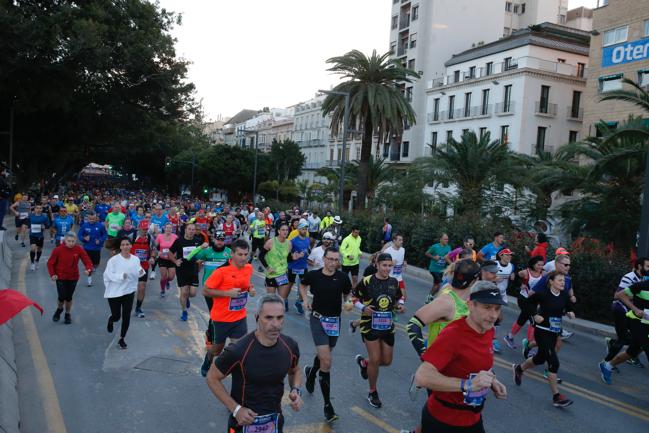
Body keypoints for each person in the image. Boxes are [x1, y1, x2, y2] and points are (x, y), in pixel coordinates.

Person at [413, 281, 507, 433]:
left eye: (497, 308)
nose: (493, 315)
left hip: (473, 418)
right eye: (487, 307)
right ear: (470, 305)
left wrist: (492, 380)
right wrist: (468, 385)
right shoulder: (453, 334)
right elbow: (422, 377)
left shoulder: (488, 330)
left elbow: (478, 364)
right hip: (443, 421)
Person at [206, 294, 303, 433]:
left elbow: (295, 370)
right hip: (243, 423)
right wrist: (236, 409)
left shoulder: (290, 346)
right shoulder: (239, 350)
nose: (275, 324)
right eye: (269, 318)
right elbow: (212, 377)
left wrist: (296, 390)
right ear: (257, 317)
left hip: (274, 422)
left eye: (280, 317)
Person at [300, 247, 352, 422]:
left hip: (334, 322)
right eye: (330, 259)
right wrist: (306, 300)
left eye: (336, 260)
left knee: (325, 356)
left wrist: (348, 303)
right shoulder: (314, 275)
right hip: (318, 320)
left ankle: (311, 372)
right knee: (327, 361)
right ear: (324, 258)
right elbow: (302, 284)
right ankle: (328, 406)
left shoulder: (343, 278)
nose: (333, 263)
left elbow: (347, 294)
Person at [513, 272, 576, 408]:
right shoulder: (543, 294)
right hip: (542, 332)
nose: (562, 283)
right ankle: (557, 397)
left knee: (540, 358)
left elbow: (568, 305)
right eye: (559, 280)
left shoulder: (564, 294)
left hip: (554, 331)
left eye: (563, 281)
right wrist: (535, 314)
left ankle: (519, 368)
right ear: (551, 282)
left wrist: (570, 311)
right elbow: (527, 303)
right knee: (553, 362)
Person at [353, 253, 405, 408]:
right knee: (376, 359)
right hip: (369, 325)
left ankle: (364, 363)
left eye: (390, 266)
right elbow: (353, 298)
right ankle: (372, 391)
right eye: (384, 265)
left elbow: (399, 298)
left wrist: (400, 305)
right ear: (377, 264)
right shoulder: (367, 281)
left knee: (387, 361)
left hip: (387, 326)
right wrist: (363, 308)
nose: (387, 269)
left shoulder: (394, 282)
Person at [200, 239, 254, 377]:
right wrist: (226, 293)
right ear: (232, 254)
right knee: (217, 350)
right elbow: (205, 291)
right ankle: (208, 359)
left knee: (239, 349)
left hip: (239, 317)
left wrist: (250, 289)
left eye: (245, 254)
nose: (243, 258)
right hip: (221, 318)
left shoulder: (248, 268)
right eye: (240, 254)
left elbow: (245, 284)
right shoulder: (221, 271)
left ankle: (235, 374)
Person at [599, 278, 649, 385]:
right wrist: (635, 309)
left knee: (633, 351)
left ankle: (607, 366)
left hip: (647, 324)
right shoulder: (642, 285)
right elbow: (619, 295)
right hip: (637, 321)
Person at [603, 257, 649, 367]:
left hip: (636, 314)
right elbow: (617, 295)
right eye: (647, 266)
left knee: (636, 339)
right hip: (620, 309)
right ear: (640, 266)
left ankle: (621, 352)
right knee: (624, 339)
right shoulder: (629, 277)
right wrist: (636, 307)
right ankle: (606, 363)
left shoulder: (643, 279)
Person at [194, 230, 232, 356]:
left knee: (221, 315)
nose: (220, 242)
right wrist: (199, 248)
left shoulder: (229, 252)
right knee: (214, 314)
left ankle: (214, 337)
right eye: (218, 239)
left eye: (222, 240)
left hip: (224, 289)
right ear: (213, 240)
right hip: (209, 289)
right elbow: (190, 257)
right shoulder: (207, 251)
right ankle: (211, 338)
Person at [103, 237, 145, 349]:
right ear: (120, 247)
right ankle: (111, 319)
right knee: (117, 316)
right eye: (123, 245)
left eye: (128, 244)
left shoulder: (135, 259)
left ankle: (122, 338)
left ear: (131, 246)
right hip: (115, 292)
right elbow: (108, 275)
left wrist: (141, 272)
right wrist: (121, 276)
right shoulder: (113, 260)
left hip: (129, 291)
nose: (126, 246)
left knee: (126, 316)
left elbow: (138, 270)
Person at [47, 232, 93, 324]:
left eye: (73, 241)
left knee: (68, 297)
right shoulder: (58, 250)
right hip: (60, 277)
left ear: (76, 241)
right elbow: (50, 263)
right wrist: (52, 274)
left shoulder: (79, 249)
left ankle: (67, 314)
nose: (71, 243)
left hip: (73, 277)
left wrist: (88, 269)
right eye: (69, 241)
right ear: (65, 241)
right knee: (61, 297)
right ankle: (59, 309)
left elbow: (87, 261)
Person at [503, 255, 545, 350]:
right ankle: (529, 346)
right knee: (534, 320)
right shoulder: (525, 272)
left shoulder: (543, 274)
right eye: (538, 265)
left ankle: (509, 337)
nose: (540, 267)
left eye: (542, 265)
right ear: (533, 264)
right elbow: (514, 278)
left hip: (534, 301)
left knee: (523, 318)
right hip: (524, 299)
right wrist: (520, 285)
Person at [170, 223, 203, 321]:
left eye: (193, 229)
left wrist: (200, 263)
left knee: (192, 293)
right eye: (189, 229)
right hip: (182, 270)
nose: (191, 231)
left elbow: (201, 255)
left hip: (193, 269)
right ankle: (184, 311)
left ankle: (186, 298)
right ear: (185, 230)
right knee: (184, 292)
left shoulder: (198, 241)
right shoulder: (179, 241)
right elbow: (170, 252)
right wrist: (175, 261)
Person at [260, 223, 293, 309]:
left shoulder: (289, 243)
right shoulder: (271, 242)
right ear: (278, 231)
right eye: (283, 230)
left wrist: (294, 258)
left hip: (283, 274)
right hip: (271, 275)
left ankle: (278, 319)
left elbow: (288, 259)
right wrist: (267, 267)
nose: (285, 232)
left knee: (281, 301)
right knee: (271, 301)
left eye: (287, 230)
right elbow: (261, 256)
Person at [131, 224, 156, 318]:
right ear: (139, 228)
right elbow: (124, 247)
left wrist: (152, 257)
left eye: (146, 229)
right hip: (131, 266)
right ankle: (125, 306)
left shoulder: (150, 238)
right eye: (143, 229)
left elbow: (154, 249)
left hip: (143, 267)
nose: (145, 231)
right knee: (130, 288)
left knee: (141, 288)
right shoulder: (132, 236)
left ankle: (138, 308)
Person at [77, 211, 107, 286]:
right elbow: (79, 235)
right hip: (87, 248)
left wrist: (100, 240)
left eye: (93, 219)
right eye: (90, 219)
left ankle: (92, 269)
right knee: (88, 264)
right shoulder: (84, 225)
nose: (92, 220)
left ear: (96, 218)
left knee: (96, 264)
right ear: (87, 218)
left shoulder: (100, 226)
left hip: (96, 248)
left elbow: (105, 235)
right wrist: (84, 238)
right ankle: (89, 279)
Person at [288, 220, 310, 314]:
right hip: (293, 266)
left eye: (306, 229)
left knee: (304, 286)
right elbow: (288, 254)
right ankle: (284, 299)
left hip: (303, 267)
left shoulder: (307, 239)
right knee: (289, 284)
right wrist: (294, 255)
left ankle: (299, 302)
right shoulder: (292, 241)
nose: (305, 231)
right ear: (298, 229)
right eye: (303, 229)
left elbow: (307, 250)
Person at [155, 222, 178, 298]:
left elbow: (179, 247)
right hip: (162, 259)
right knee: (163, 276)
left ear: (172, 229)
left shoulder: (175, 237)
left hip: (172, 259)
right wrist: (157, 252)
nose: (168, 229)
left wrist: (176, 254)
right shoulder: (160, 236)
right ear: (164, 228)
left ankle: (167, 281)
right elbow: (155, 246)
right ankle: (162, 289)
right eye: (167, 228)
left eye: (170, 228)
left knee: (171, 277)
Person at [383, 233, 408, 300]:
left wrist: (404, 262)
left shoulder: (403, 250)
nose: (401, 242)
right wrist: (390, 263)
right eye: (399, 240)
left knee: (404, 297)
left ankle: (394, 308)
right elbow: (381, 264)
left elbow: (402, 259)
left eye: (402, 240)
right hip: (389, 277)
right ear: (394, 240)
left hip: (398, 277)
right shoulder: (388, 251)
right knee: (388, 297)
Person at [26, 204, 50, 271]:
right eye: (37, 208)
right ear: (35, 209)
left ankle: (37, 261)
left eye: (40, 208)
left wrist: (44, 227)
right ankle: (32, 263)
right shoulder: (31, 216)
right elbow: (27, 224)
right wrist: (28, 228)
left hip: (40, 236)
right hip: (32, 235)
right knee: (33, 248)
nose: (39, 209)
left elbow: (47, 226)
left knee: (39, 249)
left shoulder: (44, 217)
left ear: (42, 209)